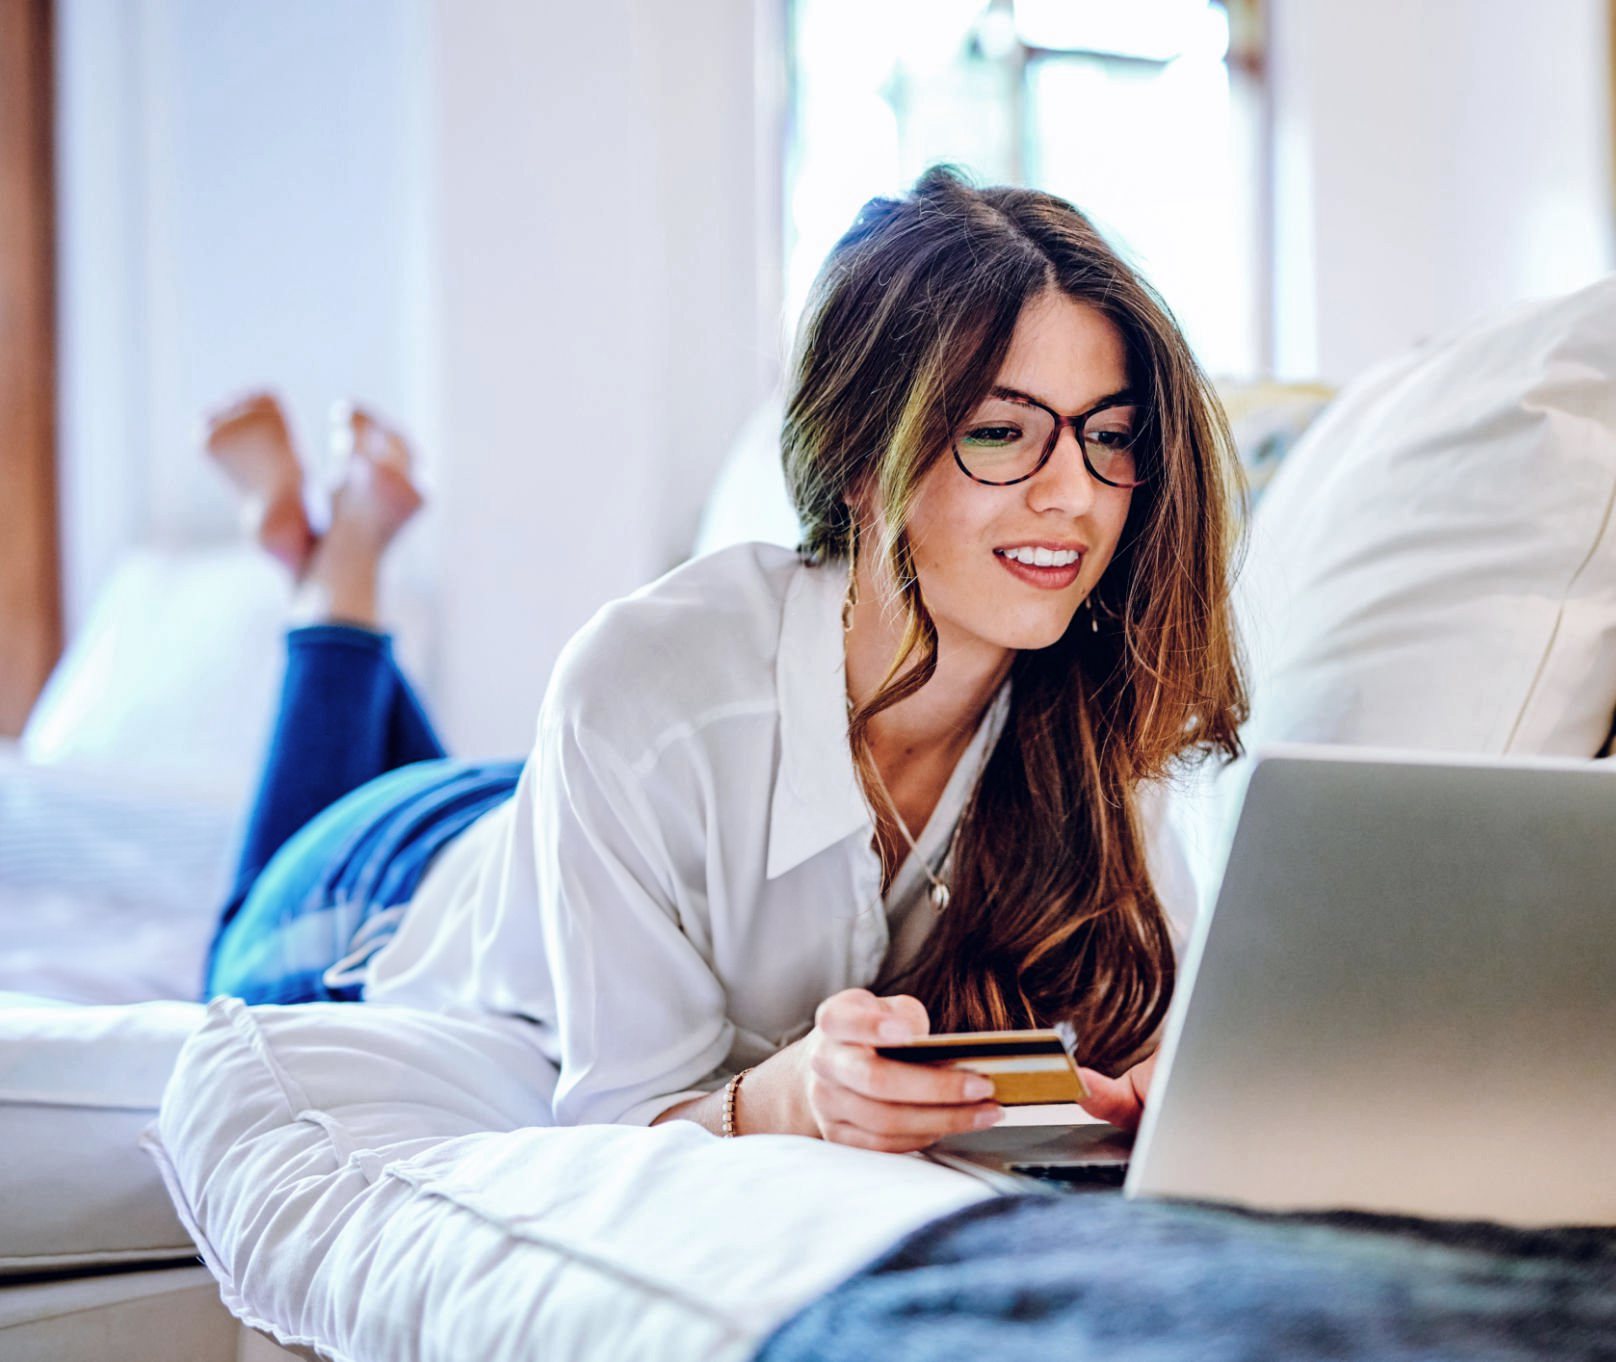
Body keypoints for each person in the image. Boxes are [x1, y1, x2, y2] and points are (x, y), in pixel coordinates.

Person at [203, 164, 1247, 1154]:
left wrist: (1166, 1084)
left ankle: (329, 545)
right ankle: (337, 570)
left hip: (574, 811)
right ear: (856, 461)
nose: (1072, 492)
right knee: (227, 944)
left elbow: (1150, 1028)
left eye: (1109, 436)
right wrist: (785, 1098)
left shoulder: (1099, 710)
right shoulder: (644, 678)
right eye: (999, 431)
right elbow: (614, 1123)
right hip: (380, 891)